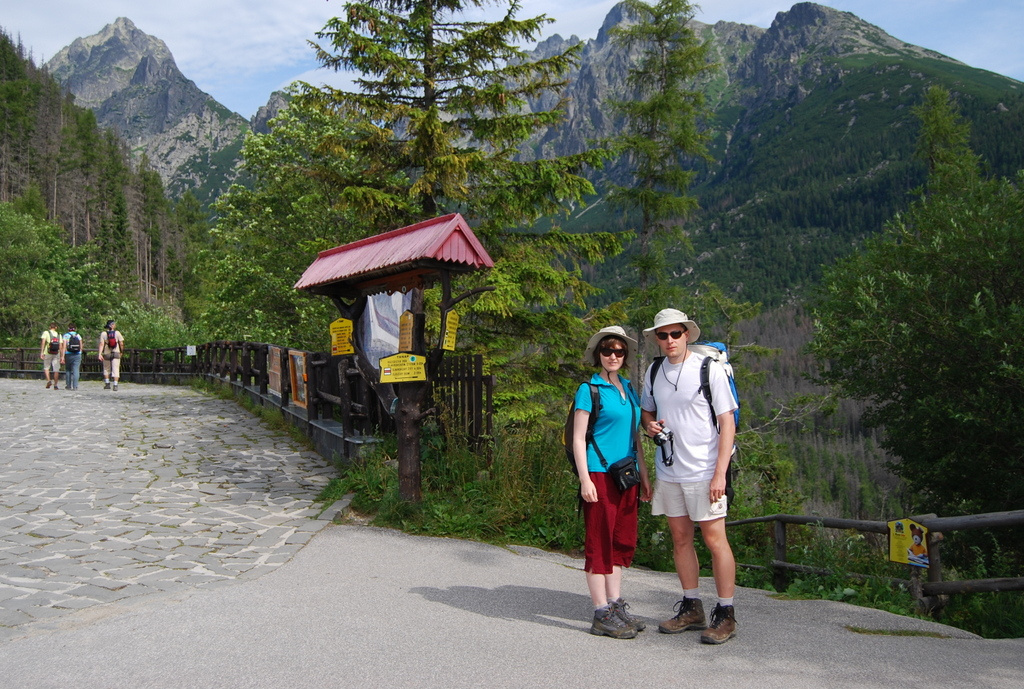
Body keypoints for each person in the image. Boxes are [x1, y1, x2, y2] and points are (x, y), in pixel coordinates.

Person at [640, 308, 739, 644]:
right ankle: (692, 606)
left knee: (715, 540)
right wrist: (649, 425)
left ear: (687, 335)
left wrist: (719, 475)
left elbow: (728, 423)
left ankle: (726, 613)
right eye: (663, 335)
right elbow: (647, 410)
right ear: (657, 337)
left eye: (675, 334)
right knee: (680, 539)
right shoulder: (654, 370)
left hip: (704, 470)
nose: (669, 341)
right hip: (669, 469)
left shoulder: (708, 370)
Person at [572, 325, 652, 639]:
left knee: (620, 541)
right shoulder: (588, 389)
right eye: (607, 350)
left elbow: (634, 436)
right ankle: (601, 612)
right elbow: (579, 438)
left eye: (619, 351)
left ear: (625, 355)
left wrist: (645, 475)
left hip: (626, 475)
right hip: (599, 474)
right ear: (598, 354)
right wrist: (584, 479)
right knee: (599, 541)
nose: (613, 355)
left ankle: (615, 604)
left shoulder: (628, 388)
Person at [98, 319, 125, 391]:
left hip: (107, 353)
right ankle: (115, 384)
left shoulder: (103, 334)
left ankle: (107, 384)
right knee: (116, 368)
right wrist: (121, 351)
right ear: (112, 325)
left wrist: (100, 354)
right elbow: (121, 343)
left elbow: (101, 344)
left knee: (106, 368)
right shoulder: (117, 333)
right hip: (116, 352)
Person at [39, 320, 62, 391]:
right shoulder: (59, 334)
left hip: (48, 352)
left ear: (49, 327)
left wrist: (42, 352)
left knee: (46, 367)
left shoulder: (46, 332)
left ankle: (49, 380)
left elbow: (43, 342)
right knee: (56, 369)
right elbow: (61, 346)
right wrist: (62, 356)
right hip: (56, 353)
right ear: (56, 327)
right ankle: (55, 385)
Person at [62, 323, 85, 390]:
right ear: (75, 329)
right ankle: (75, 386)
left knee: (68, 370)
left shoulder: (66, 336)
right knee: (76, 370)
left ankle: (68, 385)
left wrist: (62, 356)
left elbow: (64, 347)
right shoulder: (78, 336)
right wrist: (80, 352)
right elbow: (81, 346)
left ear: (68, 328)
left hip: (68, 354)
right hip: (77, 354)